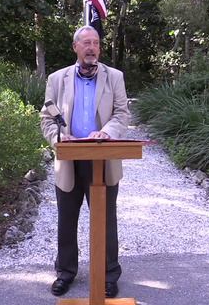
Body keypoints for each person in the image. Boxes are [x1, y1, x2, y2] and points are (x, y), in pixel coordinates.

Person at [40, 25, 130, 298]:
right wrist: (58, 138)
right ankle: (65, 273)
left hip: (103, 158)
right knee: (67, 219)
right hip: (69, 159)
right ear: (75, 47)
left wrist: (107, 132)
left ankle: (108, 275)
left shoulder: (114, 77)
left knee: (105, 220)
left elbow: (122, 114)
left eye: (96, 43)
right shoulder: (57, 79)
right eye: (86, 43)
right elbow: (47, 117)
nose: (92, 47)